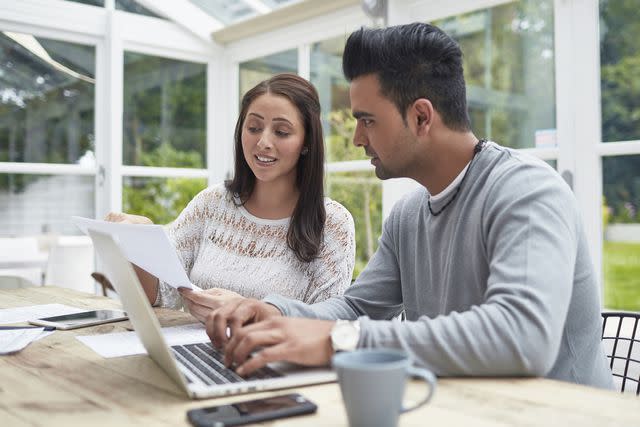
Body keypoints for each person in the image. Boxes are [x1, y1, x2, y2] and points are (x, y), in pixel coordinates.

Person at [204, 23, 614, 389]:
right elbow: (357, 306)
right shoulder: (409, 214)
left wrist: (338, 340)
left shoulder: (527, 190)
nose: (357, 139)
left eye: (367, 120)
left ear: (421, 117)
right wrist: (273, 311)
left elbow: (522, 337)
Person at [106, 73, 355, 322]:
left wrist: (249, 311)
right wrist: (140, 239)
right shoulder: (211, 203)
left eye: (281, 131)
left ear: (306, 142)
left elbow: (328, 326)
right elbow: (160, 293)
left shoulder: (333, 223)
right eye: (254, 128)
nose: (263, 142)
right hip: (193, 351)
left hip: (270, 358)